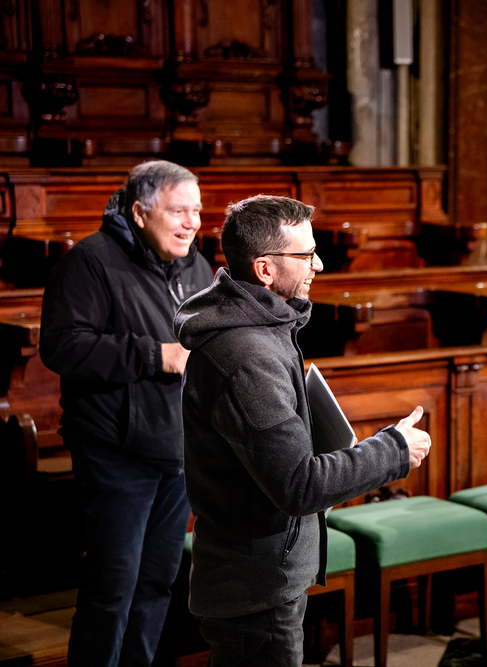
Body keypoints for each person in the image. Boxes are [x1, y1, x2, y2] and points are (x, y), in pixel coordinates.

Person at [174, 195, 431, 667]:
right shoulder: (247, 356)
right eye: (306, 254)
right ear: (265, 270)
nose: (319, 263)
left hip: (261, 578)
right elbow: (299, 484)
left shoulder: (262, 328)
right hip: (256, 589)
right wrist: (394, 450)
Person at [39, 160, 213, 666]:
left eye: (197, 211)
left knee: (157, 582)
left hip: (177, 449)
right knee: (112, 587)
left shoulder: (196, 267)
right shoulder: (90, 261)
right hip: (116, 452)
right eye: (178, 211)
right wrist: (155, 355)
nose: (191, 222)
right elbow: (63, 346)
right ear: (140, 213)